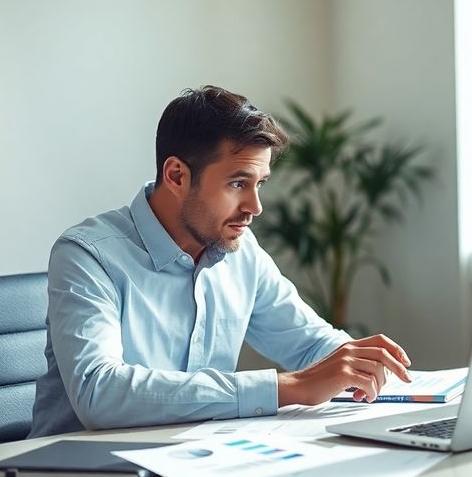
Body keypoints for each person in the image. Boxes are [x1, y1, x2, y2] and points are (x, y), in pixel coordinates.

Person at [28, 85, 412, 438]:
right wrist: (287, 388)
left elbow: (310, 344)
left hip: (195, 462)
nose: (255, 208)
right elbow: (100, 392)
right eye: (237, 183)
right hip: (77, 474)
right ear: (177, 175)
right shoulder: (88, 255)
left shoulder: (240, 252)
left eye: (259, 184)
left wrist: (363, 364)